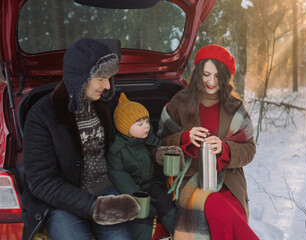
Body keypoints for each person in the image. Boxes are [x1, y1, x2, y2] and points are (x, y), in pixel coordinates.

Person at [21, 38, 141, 240]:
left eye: (110, 78)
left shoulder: (104, 103)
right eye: (101, 78)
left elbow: (130, 135)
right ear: (81, 77)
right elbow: (41, 181)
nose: (107, 85)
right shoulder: (41, 115)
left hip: (105, 191)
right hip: (61, 203)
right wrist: (95, 207)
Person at [157, 44, 259, 239]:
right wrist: (184, 138)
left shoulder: (235, 106)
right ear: (197, 74)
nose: (211, 81)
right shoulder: (179, 102)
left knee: (230, 214)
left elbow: (249, 149)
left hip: (228, 181)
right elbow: (160, 144)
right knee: (222, 213)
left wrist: (225, 148)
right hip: (190, 180)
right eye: (206, 74)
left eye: (217, 76)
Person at [107, 93, 180, 240]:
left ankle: (181, 234)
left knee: (165, 202)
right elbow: (120, 177)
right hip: (133, 192)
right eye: (140, 124)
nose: (146, 126)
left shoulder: (148, 139)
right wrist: (139, 197)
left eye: (146, 121)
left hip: (152, 184)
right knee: (142, 214)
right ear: (125, 128)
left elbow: (158, 152)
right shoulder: (116, 150)